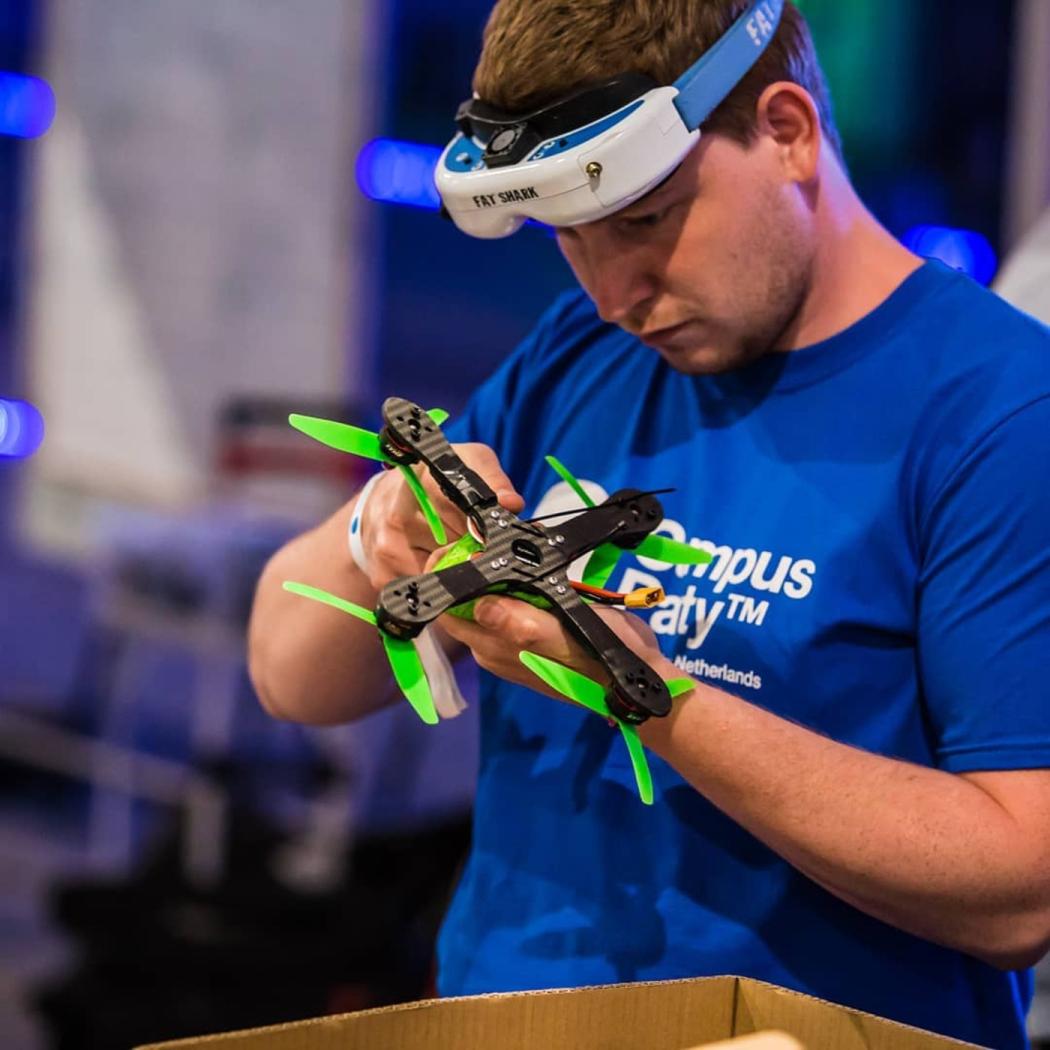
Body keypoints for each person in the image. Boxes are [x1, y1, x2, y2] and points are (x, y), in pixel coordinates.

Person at [247, 2, 1050, 1046]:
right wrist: (378, 534)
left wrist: (652, 698)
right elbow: (289, 674)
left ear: (788, 131)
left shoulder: (999, 413)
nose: (616, 290)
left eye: (645, 219)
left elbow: (1020, 892)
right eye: (569, 238)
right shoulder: (584, 349)